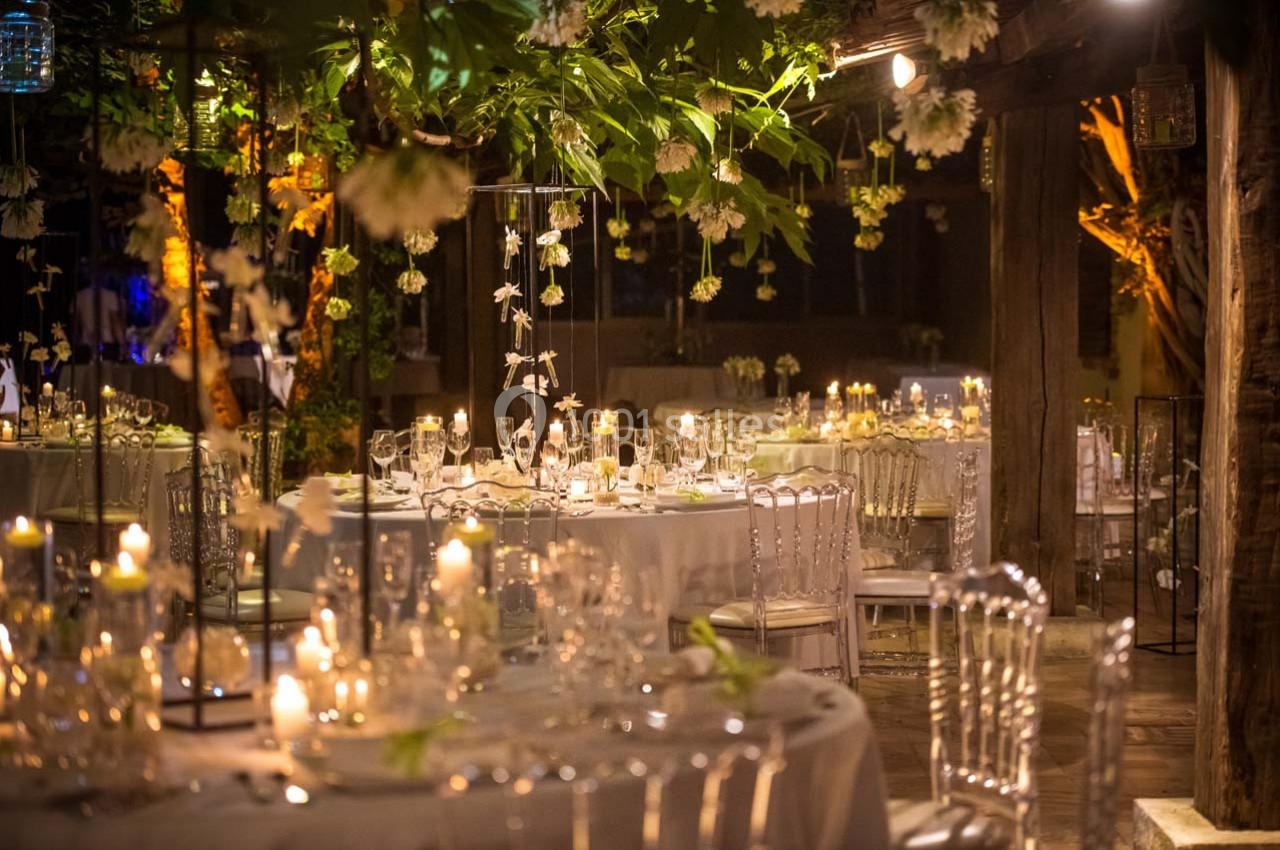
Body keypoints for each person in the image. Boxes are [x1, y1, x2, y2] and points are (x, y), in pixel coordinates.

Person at [73, 279, 127, 362]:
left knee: (86, 372)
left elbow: (75, 324)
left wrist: (74, 343)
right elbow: (115, 322)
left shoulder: (79, 295)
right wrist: (123, 344)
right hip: (106, 342)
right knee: (107, 371)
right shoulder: (110, 295)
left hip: (86, 342)